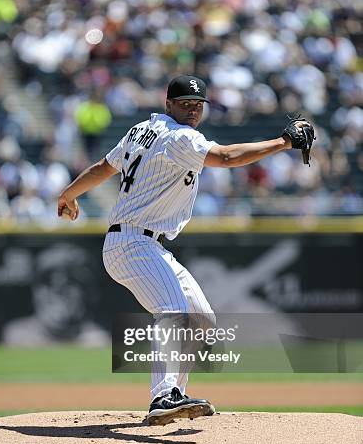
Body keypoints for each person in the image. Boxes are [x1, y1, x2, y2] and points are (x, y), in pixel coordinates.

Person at [58, 75, 315, 426]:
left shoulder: (140, 131)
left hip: (142, 244)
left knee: (202, 320)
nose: (192, 110)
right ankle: (163, 395)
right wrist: (283, 142)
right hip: (133, 243)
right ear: (168, 104)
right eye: (185, 104)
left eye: (198, 105)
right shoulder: (180, 137)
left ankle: (175, 397)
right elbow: (225, 157)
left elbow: (104, 168)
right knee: (172, 310)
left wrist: (69, 194)